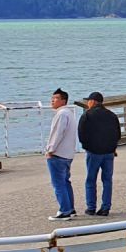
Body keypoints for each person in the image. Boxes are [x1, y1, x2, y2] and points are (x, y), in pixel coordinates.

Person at [77, 91, 121, 217]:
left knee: (91, 180)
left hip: (94, 152)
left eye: (88, 101)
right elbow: (117, 134)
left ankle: (91, 207)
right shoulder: (112, 115)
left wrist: (87, 147)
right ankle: (105, 207)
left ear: (93, 101)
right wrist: (113, 147)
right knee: (107, 180)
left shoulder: (87, 115)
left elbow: (81, 134)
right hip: (109, 153)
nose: (87, 103)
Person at [44, 88, 79, 221]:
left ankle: (65, 210)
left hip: (58, 154)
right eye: (52, 98)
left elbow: (57, 133)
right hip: (68, 153)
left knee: (58, 183)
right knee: (65, 182)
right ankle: (70, 208)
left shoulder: (62, 114)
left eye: (56, 98)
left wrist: (50, 150)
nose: (52, 100)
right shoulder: (69, 113)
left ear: (63, 100)